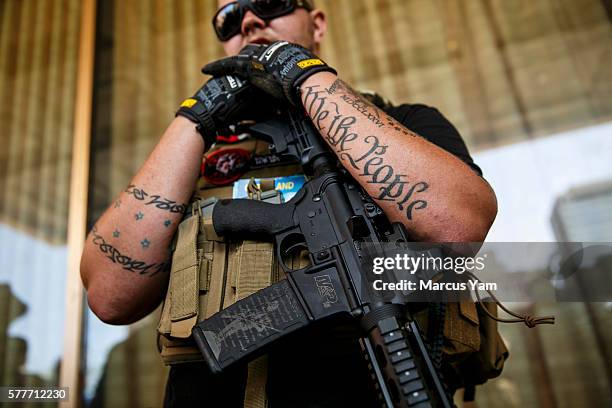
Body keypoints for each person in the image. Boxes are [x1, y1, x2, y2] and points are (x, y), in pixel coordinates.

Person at [80, 0, 498, 406]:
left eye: (269, 2)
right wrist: (195, 118)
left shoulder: (404, 122)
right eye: (228, 19)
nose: (247, 22)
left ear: (317, 24)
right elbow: (110, 296)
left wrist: (305, 77)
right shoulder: (192, 158)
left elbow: (458, 225)